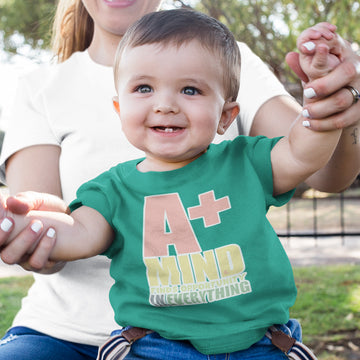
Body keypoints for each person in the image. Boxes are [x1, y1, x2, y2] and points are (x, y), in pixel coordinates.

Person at [0, 0, 359, 359]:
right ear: (119, 109)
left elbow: (302, 153)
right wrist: (27, 225)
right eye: (144, 89)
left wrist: (325, 106)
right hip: (147, 342)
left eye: (190, 90)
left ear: (225, 115)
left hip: (259, 342)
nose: (165, 104)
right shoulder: (112, 189)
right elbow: (77, 231)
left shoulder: (245, 161)